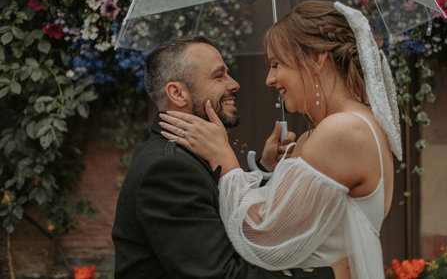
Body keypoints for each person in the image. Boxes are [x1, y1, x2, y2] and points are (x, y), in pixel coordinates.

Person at [160, 1, 403, 279]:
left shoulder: (343, 130)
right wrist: (272, 170)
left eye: (276, 64)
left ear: (316, 59)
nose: (270, 79)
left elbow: (264, 237)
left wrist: (224, 158)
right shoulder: (355, 122)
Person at [111, 35, 349, 279]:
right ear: (178, 93)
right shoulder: (167, 168)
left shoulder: (180, 153)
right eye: (218, 76)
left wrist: (266, 168)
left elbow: (215, 205)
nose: (234, 84)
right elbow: (222, 274)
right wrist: (328, 276)